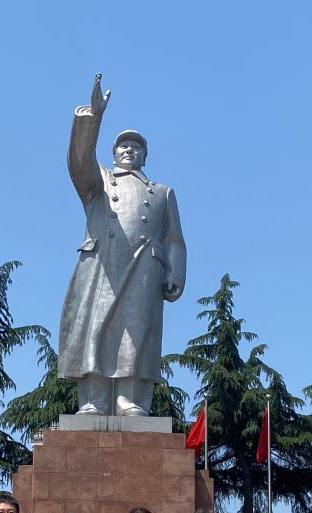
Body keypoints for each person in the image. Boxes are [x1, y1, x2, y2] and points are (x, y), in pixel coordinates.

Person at [59, 73, 187, 417]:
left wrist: (175, 272)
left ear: (145, 155)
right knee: (96, 328)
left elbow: (174, 238)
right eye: (123, 146)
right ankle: (95, 399)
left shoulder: (162, 193)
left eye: (136, 147)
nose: (129, 150)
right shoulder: (99, 181)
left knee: (138, 331)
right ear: (114, 153)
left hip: (146, 263)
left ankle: (131, 400)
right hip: (103, 261)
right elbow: (79, 162)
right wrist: (93, 118)